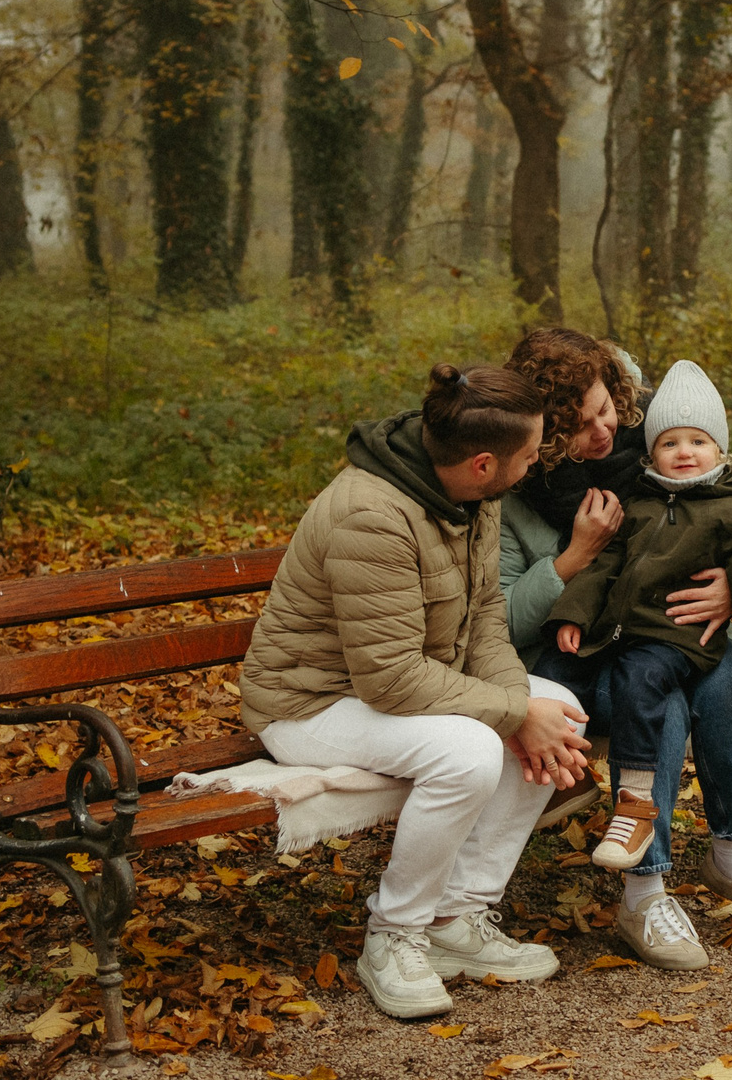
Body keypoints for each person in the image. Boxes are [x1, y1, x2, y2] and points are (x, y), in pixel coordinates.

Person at [238, 362, 592, 1021]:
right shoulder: (371, 514)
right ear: (485, 463)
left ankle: (453, 918)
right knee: (469, 750)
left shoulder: (468, 495)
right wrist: (515, 712)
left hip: (381, 689)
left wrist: (524, 705)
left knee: (560, 711)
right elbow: (391, 676)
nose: (538, 461)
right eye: (531, 451)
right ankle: (394, 935)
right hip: (308, 705)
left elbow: (486, 615)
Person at [542, 358, 732, 949]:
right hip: (622, 650)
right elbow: (607, 564)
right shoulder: (628, 494)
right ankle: (643, 891)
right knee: (656, 700)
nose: (683, 452)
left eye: (698, 441)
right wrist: (572, 611)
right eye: (671, 443)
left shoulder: (727, 495)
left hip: (700, 643)